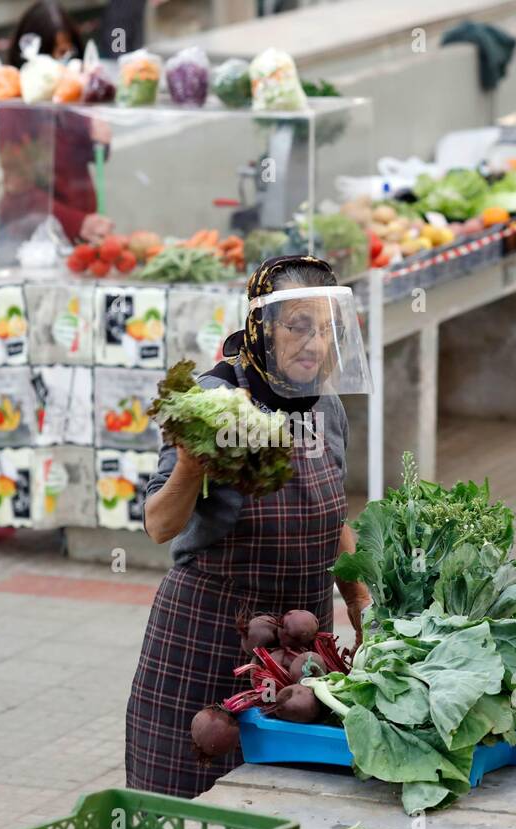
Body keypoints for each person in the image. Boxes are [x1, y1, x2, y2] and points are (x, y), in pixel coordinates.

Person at [125, 256, 372, 798]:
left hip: (302, 647)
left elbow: (333, 515)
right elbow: (159, 524)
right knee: (187, 803)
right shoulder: (216, 404)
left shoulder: (327, 407)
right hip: (211, 641)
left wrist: (358, 600)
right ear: (262, 329)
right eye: (298, 326)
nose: (314, 344)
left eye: (327, 330)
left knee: (291, 803)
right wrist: (191, 463)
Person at [0, 1, 114, 251]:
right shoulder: (15, 110)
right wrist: (78, 222)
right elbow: (20, 192)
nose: (61, 64)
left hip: (79, 235)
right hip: (31, 240)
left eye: (66, 53)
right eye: (54, 55)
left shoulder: (71, 98)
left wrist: (99, 136)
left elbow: (89, 155)